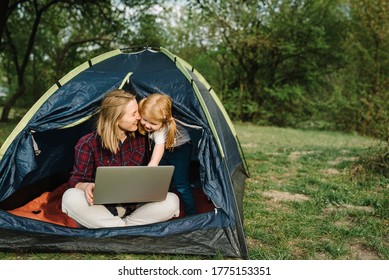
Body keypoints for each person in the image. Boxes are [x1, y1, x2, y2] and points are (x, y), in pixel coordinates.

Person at [61, 89, 180, 228]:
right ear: (117, 118)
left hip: (136, 207)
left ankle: (118, 229)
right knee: (70, 197)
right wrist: (86, 186)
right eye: (134, 113)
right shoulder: (88, 143)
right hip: (101, 208)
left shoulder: (144, 136)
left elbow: (162, 127)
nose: (139, 117)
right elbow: (75, 181)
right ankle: (126, 229)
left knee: (172, 201)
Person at [138, 93, 197, 216]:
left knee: (181, 183)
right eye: (145, 120)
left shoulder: (162, 127)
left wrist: (152, 165)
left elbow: (158, 149)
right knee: (164, 181)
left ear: (163, 120)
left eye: (152, 123)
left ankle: (192, 214)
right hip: (166, 148)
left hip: (181, 149)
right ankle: (164, 208)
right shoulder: (152, 122)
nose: (147, 125)